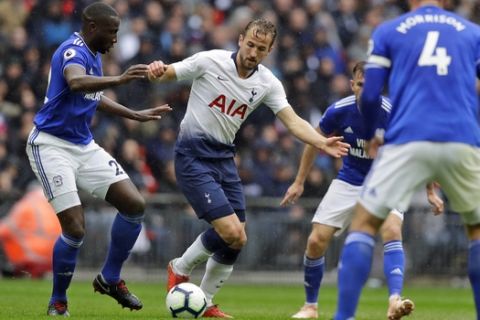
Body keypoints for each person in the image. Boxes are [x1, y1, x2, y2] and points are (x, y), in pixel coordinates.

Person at [147, 19, 350, 318]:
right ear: (241, 39)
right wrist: (156, 71)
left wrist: (321, 142)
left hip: (225, 159)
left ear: (269, 51)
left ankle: (205, 301)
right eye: (250, 44)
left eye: (261, 48)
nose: (253, 52)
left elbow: (293, 121)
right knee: (230, 230)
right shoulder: (210, 61)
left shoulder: (267, 83)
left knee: (238, 238)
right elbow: (169, 73)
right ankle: (180, 268)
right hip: (192, 157)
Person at [333, 1, 480, 319]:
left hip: (408, 137)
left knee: (363, 224)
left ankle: (343, 317)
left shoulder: (389, 30)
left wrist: (374, 132)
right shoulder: (472, 32)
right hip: (462, 137)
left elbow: (370, 95)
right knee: (477, 232)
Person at [25, 2, 171, 316]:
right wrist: (121, 80)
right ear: (93, 28)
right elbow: (77, 83)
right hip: (51, 145)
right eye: (112, 31)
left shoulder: (94, 55)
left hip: (83, 144)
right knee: (76, 228)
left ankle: (110, 278)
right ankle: (58, 300)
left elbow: (92, 95)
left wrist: (134, 115)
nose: (116, 39)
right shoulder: (72, 52)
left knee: (134, 205)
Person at [281, 61, 444, 319]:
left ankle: (394, 300)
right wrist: (299, 181)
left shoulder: (394, 112)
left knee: (391, 229)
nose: (364, 91)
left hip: (386, 181)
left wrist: (430, 192)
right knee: (315, 241)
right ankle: (310, 306)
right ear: (352, 85)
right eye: (360, 85)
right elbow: (314, 142)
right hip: (349, 180)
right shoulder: (338, 111)